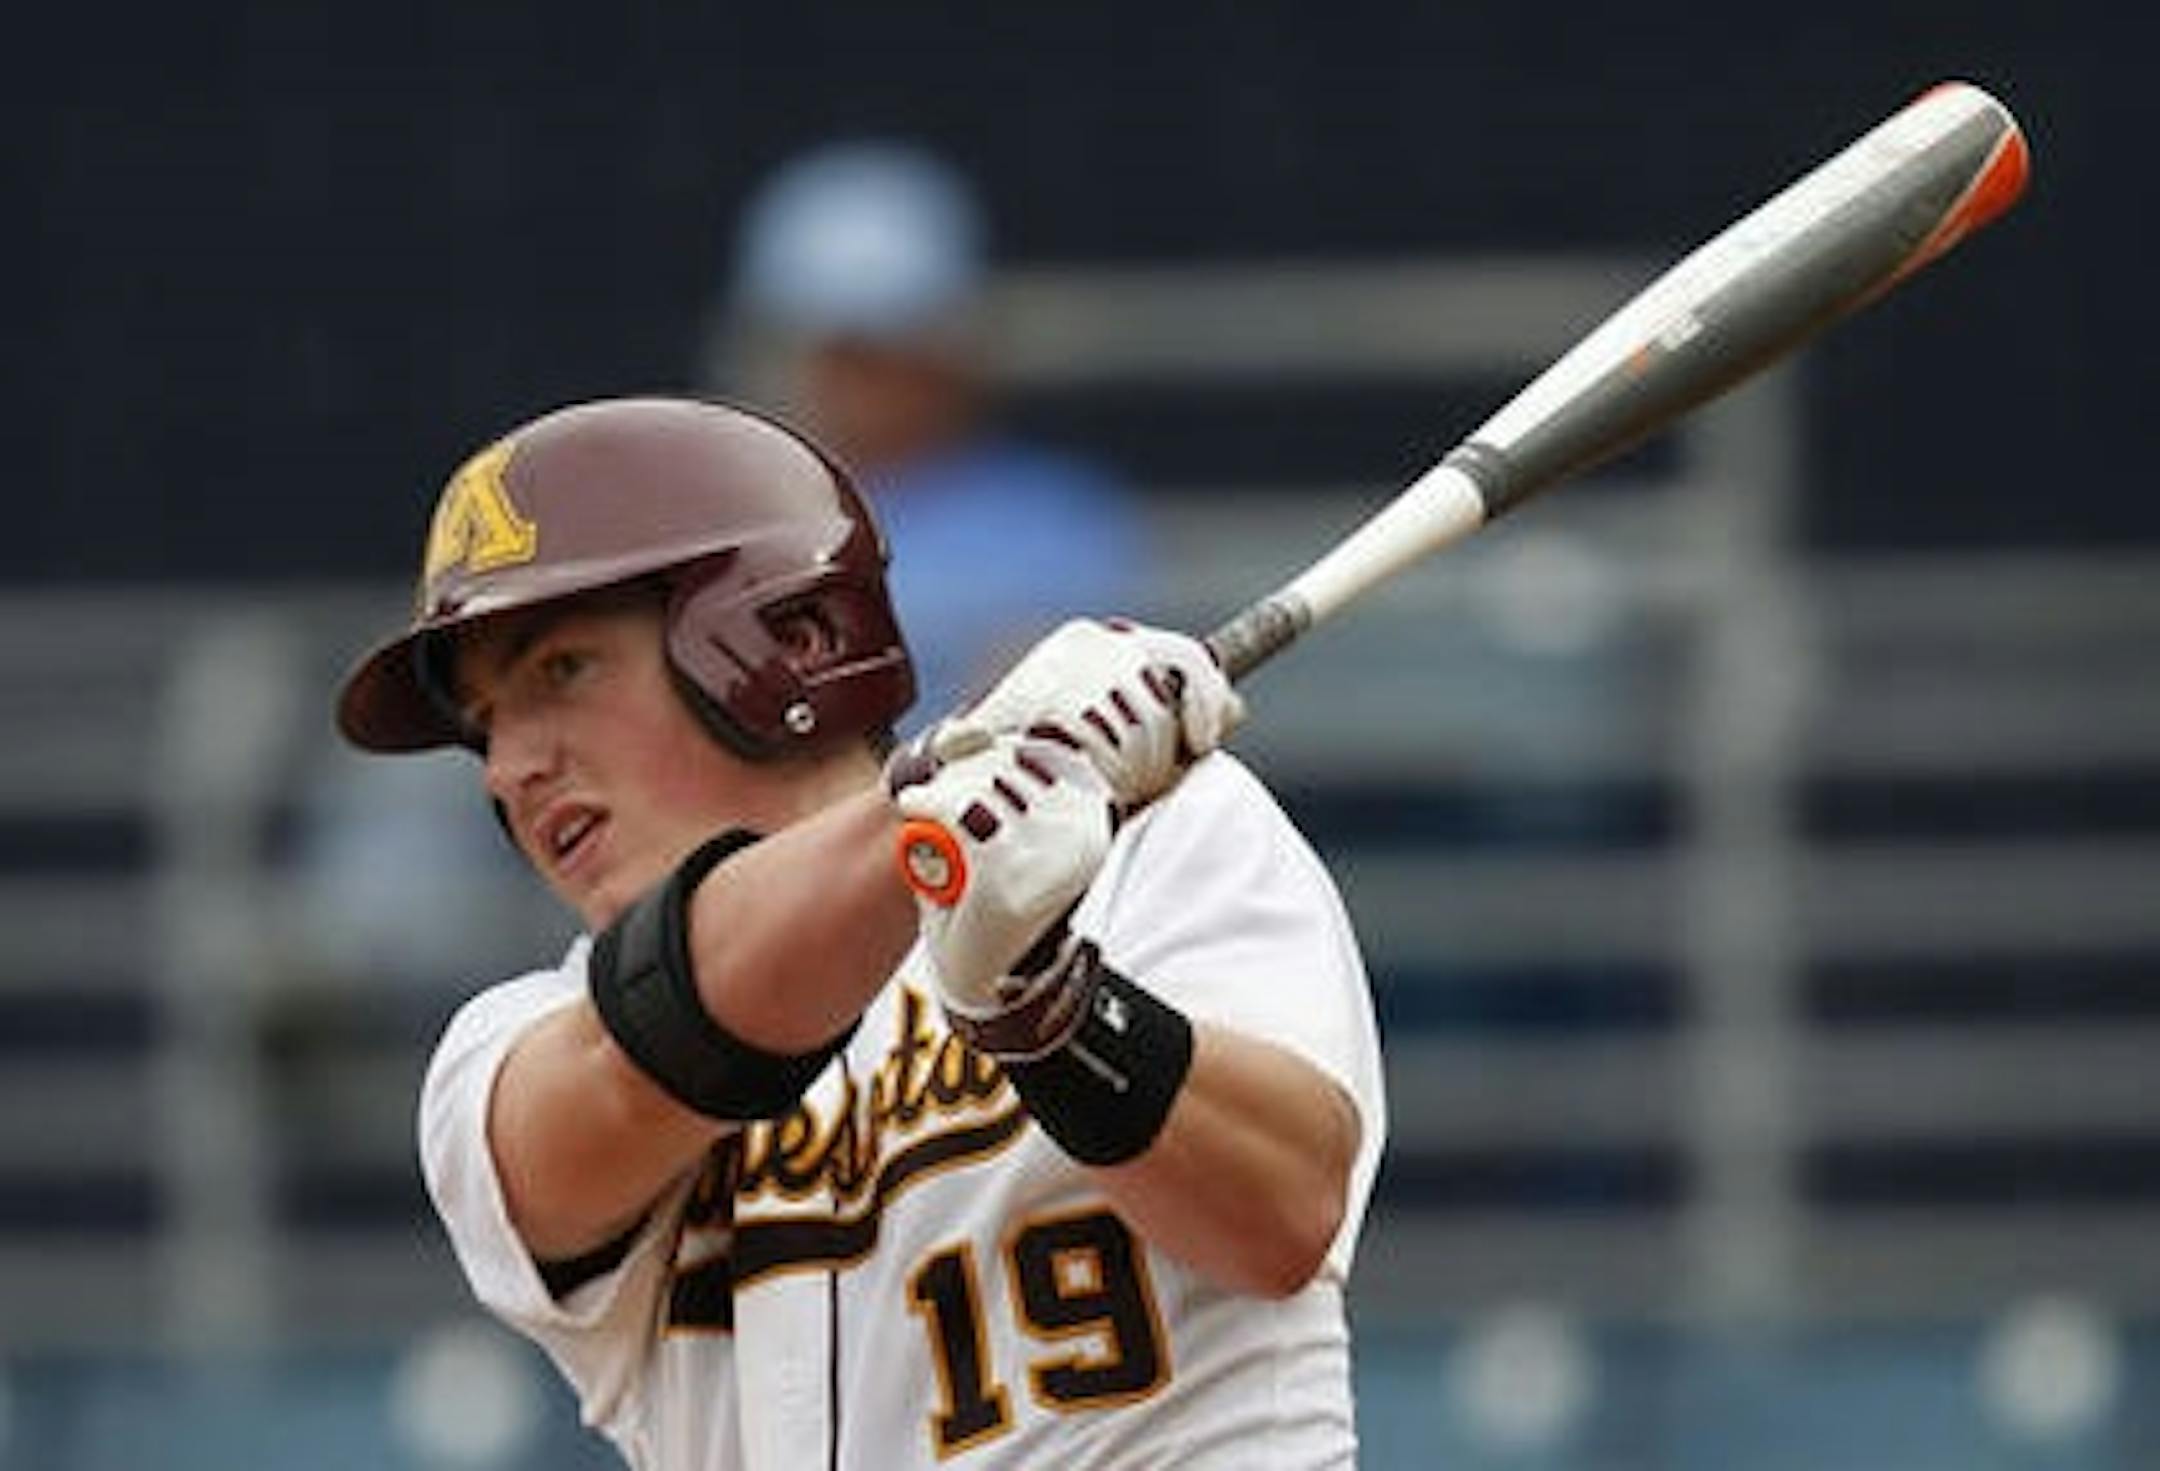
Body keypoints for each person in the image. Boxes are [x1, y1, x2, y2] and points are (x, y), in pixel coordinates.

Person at [333, 395, 1386, 1468]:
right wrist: (935, 829)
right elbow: (654, 1041)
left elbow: (1284, 1209)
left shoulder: (1152, 836)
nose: (512, 766)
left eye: (560, 671)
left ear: (782, 637)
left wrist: (1046, 1007)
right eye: (486, 723)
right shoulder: (513, 1047)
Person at [703, 139, 1153, 720]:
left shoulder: (1060, 520)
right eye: (843, 352)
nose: (871, 383)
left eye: (897, 346)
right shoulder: (700, 530)